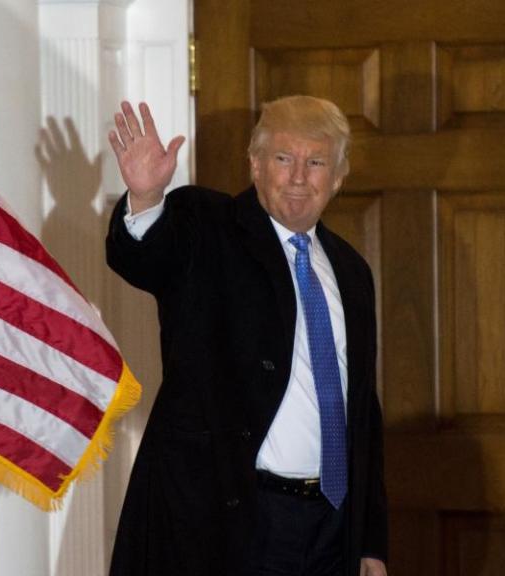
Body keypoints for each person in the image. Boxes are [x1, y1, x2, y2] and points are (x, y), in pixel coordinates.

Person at [105, 95, 387, 576]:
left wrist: (370, 542)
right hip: (230, 524)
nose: (299, 176)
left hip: (331, 530)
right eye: (283, 158)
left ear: (338, 177)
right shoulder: (206, 226)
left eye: (315, 162)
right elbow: (145, 258)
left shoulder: (351, 272)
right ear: (255, 164)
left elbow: (361, 410)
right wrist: (148, 199)